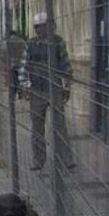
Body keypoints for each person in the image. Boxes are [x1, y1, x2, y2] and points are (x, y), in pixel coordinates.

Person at [24, 12, 75, 171]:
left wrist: (66, 86)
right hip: (37, 90)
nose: (40, 30)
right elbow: (24, 66)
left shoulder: (58, 42)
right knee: (37, 128)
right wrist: (25, 85)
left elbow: (66, 65)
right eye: (37, 27)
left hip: (55, 89)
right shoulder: (31, 44)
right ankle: (39, 161)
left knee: (60, 126)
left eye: (42, 26)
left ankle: (66, 160)